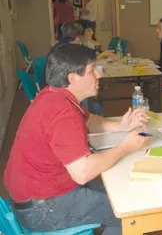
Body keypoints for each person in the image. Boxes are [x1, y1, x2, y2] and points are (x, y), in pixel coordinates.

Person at [3, 44, 149, 235]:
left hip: (31, 194)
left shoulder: (54, 94)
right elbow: (83, 173)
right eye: (91, 71)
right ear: (72, 78)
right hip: (42, 207)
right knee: (126, 212)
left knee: (114, 190)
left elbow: (90, 120)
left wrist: (121, 126)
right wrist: (125, 147)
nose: (99, 76)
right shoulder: (63, 112)